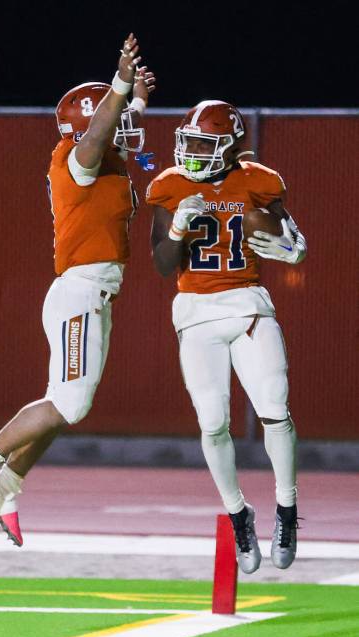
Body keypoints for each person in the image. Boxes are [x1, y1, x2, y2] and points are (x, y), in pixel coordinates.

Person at [0, 33, 155, 547]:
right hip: (80, 293)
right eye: (115, 121)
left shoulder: (106, 160)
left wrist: (135, 99)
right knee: (69, 403)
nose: (126, 130)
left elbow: (111, 129)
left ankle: (9, 482)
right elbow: (94, 136)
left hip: (95, 294)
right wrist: (120, 83)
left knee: (64, 400)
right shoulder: (77, 157)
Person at [147, 100, 306, 573]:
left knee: (274, 410)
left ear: (229, 145)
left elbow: (295, 243)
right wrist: (177, 227)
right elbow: (161, 264)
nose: (192, 152)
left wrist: (288, 250)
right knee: (213, 423)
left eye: (203, 144)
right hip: (196, 313)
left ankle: (287, 510)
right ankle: (239, 514)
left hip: (248, 305)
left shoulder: (259, 180)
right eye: (188, 142)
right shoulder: (169, 186)